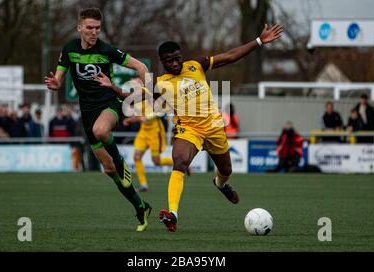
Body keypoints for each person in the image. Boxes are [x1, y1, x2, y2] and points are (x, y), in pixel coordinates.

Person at [94, 22, 283, 232]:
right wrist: (113, 87)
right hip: (189, 130)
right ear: (161, 61)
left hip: (214, 127)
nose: (175, 63)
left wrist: (259, 41)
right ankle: (173, 214)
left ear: (181, 56)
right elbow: (134, 98)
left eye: (177, 58)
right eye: (169, 60)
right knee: (180, 161)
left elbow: (230, 55)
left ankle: (220, 184)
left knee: (226, 170)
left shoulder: (196, 65)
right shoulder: (160, 83)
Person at [44, 7, 151, 232]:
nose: (94, 32)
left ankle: (122, 162)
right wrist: (56, 84)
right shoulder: (69, 49)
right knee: (109, 170)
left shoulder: (107, 50)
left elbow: (140, 66)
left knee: (102, 131)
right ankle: (140, 206)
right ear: (79, 27)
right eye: (90, 28)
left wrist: (150, 90)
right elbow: (59, 77)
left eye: (97, 28)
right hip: (87, 111)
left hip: (110, 104)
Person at [122, 77, 174, 192]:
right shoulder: (136, 99)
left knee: (156, 161)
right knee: (136, 157)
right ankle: (143, 185)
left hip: (155, 131)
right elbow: (140, 117)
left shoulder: (150, 95)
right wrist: (130, 120)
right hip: (143, 131)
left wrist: (148, 117)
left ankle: (179, 163)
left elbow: (162, 110)